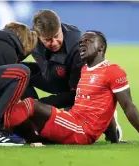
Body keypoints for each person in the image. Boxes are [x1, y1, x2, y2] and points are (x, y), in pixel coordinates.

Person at [4, 30, 139, 147]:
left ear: (101, 47)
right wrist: (114, 139)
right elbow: (105, 109)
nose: (82, 45)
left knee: (32, 105)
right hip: (72, 120)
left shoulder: (113, 71)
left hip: (82, 130)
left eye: (88, 41)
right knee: (28, 116)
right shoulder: (84, 70)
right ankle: (30, 138)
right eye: (81, 42)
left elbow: (128, 107)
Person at [21, 9, 122, 142]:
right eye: (48, 40)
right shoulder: (31, 37)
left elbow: (75, 95)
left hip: (76, 89)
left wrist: (40, 105)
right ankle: (32, 120)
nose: (55, 42)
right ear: (38, 36)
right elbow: (13, 58)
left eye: (57, 36)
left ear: (60, 27)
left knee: (72, 124)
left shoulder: (78, 45)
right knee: (20, 72)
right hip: (50, 76)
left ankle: (111, 125)